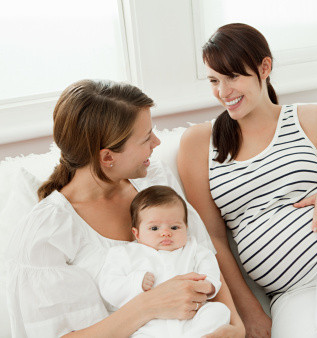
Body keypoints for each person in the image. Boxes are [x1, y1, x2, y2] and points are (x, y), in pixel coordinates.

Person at [177, 23, 317, 337]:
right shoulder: (198, 144)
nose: (223, 92)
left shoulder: (310, 119)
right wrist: (248, 312)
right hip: (289, 291)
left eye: (233, 76)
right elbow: (212, 239)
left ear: (265, 67)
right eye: (214, 80)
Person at [6, 80, 244, 337]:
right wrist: (149, 305)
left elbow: (201, 257)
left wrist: (236, 330)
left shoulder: (153, 181)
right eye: (145, 138)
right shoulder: (48, 233)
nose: (157, 142)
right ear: (107, 157)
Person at [99, 185, 230, 337]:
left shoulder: (194, 249)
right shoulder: (124, 254)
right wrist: (136, 282)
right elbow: (109, 287)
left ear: (186, 228)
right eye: (154, 228)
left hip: (192, 318)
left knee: (220, 311)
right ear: (137, 233)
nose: (166, 233)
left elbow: (210, 268)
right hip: (150, 326)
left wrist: (208, 285)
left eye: (174, 227)